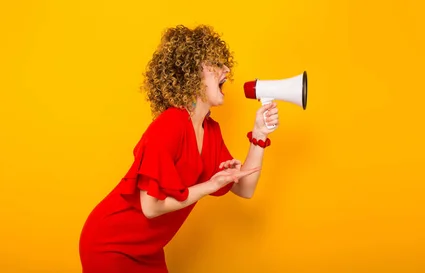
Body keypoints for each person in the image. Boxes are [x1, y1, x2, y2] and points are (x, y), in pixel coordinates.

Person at [79, 24, 278, 273]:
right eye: (216, 63)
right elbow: (150, 207)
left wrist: (259, 134)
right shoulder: (171, 124)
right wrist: (209, 186)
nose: (227, 69)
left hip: (148, 250)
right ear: (192, 74)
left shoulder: (211, 131)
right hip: (111, 245)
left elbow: (245, 189)